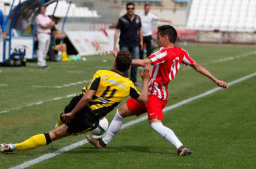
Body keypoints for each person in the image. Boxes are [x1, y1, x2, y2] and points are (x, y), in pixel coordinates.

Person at [87, 25, 229, 156]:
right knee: (120, 113)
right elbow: (196, 66)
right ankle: (102, 143)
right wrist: (215, 79)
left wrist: (120, 58)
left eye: (159, 37)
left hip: (154, 94)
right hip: (152, 93)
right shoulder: (181, 52)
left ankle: (181, 147)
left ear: (166, 38)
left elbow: (144, 62)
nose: (157, 39)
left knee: (155, 124)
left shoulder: (163, 53)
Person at [0, 50, 151, 153]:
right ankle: (15, 146)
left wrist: (72, 112)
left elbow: (86, 97)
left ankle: (60, 122)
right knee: (54, 135)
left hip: (77, 103)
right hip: (88, 117)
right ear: (127, 68)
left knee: (62, 119)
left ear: (115, 63)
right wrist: (145, 80)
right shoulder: (129, 85)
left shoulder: (102, 73)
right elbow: (143, 99)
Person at [114, 2, 143, 86]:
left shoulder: (138, 18)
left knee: (135, 62)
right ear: (126, 9)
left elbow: (140, 30)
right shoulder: (122, 19)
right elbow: (117, 31)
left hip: (135, 43)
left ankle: (134, 80)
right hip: (124, 44)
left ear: (134, 9)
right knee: (124, 62)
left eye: (132, 8)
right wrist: (114, 45)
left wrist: (141, 41)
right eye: (128, 8)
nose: (130, 10)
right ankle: (126, 80)